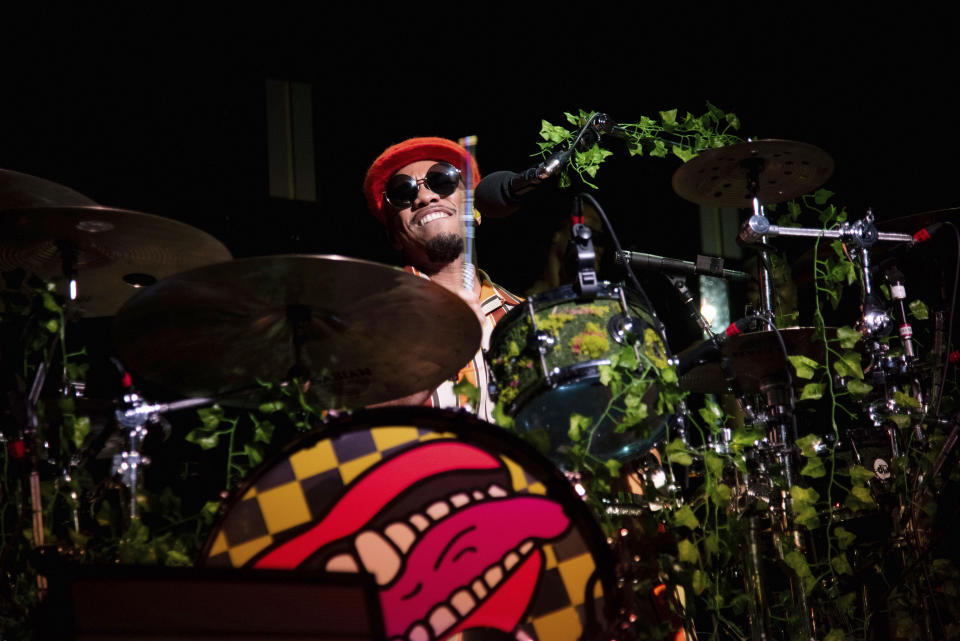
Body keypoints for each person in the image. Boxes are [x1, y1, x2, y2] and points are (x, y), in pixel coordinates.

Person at [362, 136, 521, 420]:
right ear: (393, 237)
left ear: (475, 210)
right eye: (402, 192)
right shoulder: (368, 320)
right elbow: (353, 427)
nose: (425, 197)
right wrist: (445, 345)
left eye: (443, 180)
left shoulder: (524, 316)